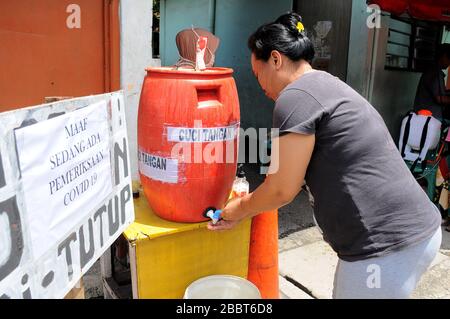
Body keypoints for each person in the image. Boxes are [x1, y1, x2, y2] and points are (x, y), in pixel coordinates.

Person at [207, 12, 442, 299]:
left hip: (385, 246)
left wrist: (239, 210)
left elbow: (281, 189)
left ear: (276, 59)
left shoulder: (295, 97)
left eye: (258, 75)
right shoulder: (326, 84)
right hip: (415, 231)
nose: (261, 87)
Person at [413, 44, 450, 231]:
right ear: (443, 57)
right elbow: (439, 98)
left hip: (428, 121)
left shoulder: (435, 73)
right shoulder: (434, 74)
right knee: (432, 159)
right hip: (427, 121)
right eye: (448, 58)